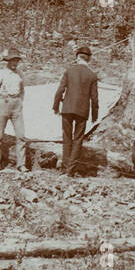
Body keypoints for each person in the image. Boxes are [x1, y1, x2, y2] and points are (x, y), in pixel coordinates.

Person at [52, 45, 99, 176]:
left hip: (67, 109)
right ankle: (70, 171)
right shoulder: (92, 75)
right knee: (78, 140)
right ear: (89, 59)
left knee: (66, 138)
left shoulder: (69, 71)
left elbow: (60, 90)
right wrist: (95, 115)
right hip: (82, 112)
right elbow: (95, 98)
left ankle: (64, 168)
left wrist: (56, 106)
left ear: (77, 57)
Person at [0, 47, 27, 172]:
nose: (14, 63)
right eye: (12, 60)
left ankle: (21, 164)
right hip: (3, 104)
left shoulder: (20, 74)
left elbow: (23, 90)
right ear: (8, 61)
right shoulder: (1, 73)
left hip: (16, 105)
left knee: (21, 135)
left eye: (16, 60)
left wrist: (20, 102)